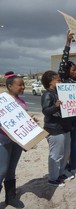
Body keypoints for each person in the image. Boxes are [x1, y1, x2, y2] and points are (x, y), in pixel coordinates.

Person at [58, 30, 76, 178]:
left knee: (74, 142)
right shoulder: (63, 79)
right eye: (73, 69)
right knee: (65, 144)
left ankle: (73, 167)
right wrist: (68, 43)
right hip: (66, 117)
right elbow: (64, 61)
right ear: (67, 71)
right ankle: (64, 168)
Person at [41, 70, 74, 187]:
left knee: (65, 153)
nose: (60, 81)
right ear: (50, 82)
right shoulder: (47, 94)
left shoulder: (60, 93)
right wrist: (55, 106)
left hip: (65, 128)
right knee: (56, 155)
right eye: (58, 80)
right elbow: (45, 111)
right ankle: (52, 178)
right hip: (54, 129)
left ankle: (60, 173)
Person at [0, 72, 28, 208]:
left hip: (18, 140)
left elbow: (23, 118)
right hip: (3, 140)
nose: (22, 87)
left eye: (23, 84)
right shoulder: (2, 101)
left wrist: (31, 120)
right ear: (10, 86)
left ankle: (10, 197)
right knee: (2, 170)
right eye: (20, 85)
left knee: (11, 169)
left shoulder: (21, 101)